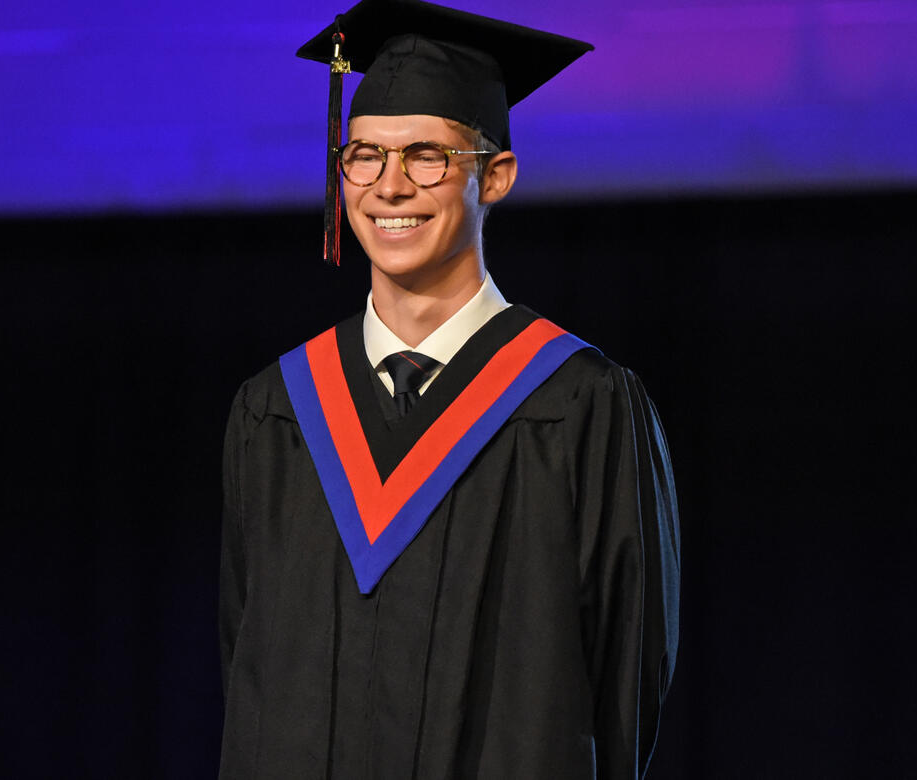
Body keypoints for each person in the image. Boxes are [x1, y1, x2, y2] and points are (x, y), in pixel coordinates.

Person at [219, 1, 680, 776]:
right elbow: (246, 661)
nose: (389, 187)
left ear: (495, 176)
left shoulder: (578, 404)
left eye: (426, 156)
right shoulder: (275, 412)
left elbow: (625, 681)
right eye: (364, 155)